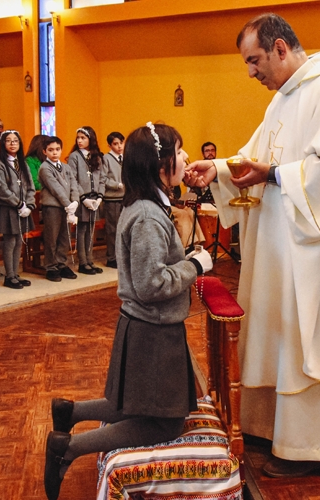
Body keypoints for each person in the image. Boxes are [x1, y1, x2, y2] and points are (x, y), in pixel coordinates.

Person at [184, 14, 320, 476]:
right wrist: (218, 169)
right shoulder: (282, 100)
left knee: (310, 345)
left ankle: (314, 447)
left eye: (255, 60)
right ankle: (271, 429)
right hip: (283, 251)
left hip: (318, 254)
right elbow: (256, 158)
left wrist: (275, 175)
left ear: (281, 48)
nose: (251, 72)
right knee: (280, 339)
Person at [43, 122, 213, 500]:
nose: (186, 158)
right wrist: (195, 265)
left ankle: (68, 413)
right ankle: (66, 448)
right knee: (165, 423)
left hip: (147, 327)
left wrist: (182, 259)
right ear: (160, 164)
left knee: (133, 402)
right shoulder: (149, 217)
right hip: (152, 330)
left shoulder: (149, 206)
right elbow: (152, 285)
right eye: (180, 152)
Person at [0, 130, 35, 290]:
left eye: (15, 141)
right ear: (3, 144)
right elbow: (2, 189)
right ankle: (9, 276)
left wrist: (29, 205)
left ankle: (15, 274)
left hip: (23, 209)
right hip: (9, 208)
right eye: (8, 141)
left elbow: (30, 186)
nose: (12, 143)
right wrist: (19, 204)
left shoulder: (22, 163)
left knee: (18, 241)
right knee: (10, 241)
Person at [38, 136, 79, 282]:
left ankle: (61, 263)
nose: (54, 153)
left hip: (67, 207)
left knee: (64, 236)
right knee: (52, 237)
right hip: (53, 207)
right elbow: (55, 188)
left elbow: (74, 184)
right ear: (45, 151)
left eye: (57, 149)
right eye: (50, 150)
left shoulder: (66, 167)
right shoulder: (45, 168)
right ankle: (51, 266)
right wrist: (68, 205)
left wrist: (75, 201)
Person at [68, 126, 105, 275]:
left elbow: (102, 178)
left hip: (94, 198)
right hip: (82, 199)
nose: (80, 141)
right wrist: (82, 198)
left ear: (91, 139)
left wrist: (100, 196)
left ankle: (90, 260)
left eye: (83, 138)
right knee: (81, 231)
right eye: (78, 138)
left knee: (91, 230)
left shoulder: (97, 156)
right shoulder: (74, 156)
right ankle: (82, 262)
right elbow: (73, 179)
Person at [102, 131, 124, 269]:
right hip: (112, 198)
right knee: (112, 229)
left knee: (123, 229)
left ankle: (121, 256)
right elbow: (103, 178)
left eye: (121, 143)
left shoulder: (125, 158)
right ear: (110, 145)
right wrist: (117, 185)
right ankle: (112, 257)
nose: (119, 146)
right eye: (115, 144)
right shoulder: (106, 159)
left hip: (125, 197)